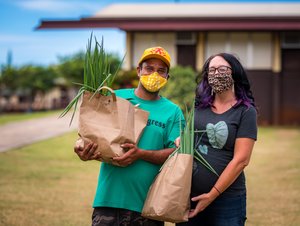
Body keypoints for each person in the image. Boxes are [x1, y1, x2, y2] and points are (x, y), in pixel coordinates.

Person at [74, 46, 185, 226]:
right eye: (149, 68)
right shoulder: (114, 98)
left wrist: (140, 154)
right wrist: (81, 149)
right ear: (138, 70)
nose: (154, 74)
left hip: (149, 208)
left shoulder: (173, 112)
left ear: (167, 77)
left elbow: (177, 154)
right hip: (108, 202)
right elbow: (89, 135)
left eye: (161, 71)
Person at [176, 53, 257, 226]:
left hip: (228, 199)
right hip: (190, 195)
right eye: (211, 70)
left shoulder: (245, 111)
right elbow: (190, 140)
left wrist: (211, 195)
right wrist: (181, 140)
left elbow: (241, 160)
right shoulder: (199, 106)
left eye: (222, 69)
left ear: (233, 73)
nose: (216, 74)